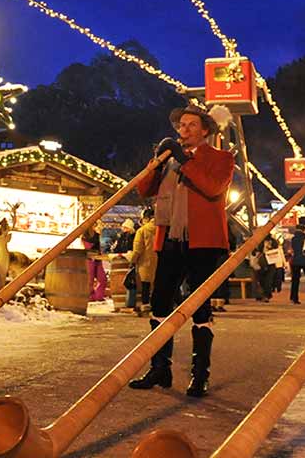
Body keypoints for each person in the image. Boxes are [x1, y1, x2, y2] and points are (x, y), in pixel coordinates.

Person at [129, 104, 233, 397]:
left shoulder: (222, 158)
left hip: (204, 242)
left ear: (204, 130)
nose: (183, 131)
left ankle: (200, 375)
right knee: (160, 303)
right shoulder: (169, 159)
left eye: (190, 126)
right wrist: (157, 162)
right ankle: (159, 368)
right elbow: (144, 189)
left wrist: (184, 160)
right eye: (181, 126)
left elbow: (213, 188)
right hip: (170, 238)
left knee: (199, 306)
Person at [128, 208, 157, 315]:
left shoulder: (142, 231)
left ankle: (145, 306)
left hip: (145, 263)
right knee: (157, 285)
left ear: (146, 218)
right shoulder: (162, 229)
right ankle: (157, 306)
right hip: (159, 262)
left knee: (145, 285)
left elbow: (137, 250)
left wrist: (132, 261)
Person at [82, 221, 107, 301]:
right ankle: (91, 296)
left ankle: (97, 296)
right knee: (90, 279)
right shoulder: (84, 236)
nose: (95, 226)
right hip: (90, 259)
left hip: (96, 259)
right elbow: (88, 248)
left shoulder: (96, 235)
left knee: (102, 278)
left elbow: (97, 247)